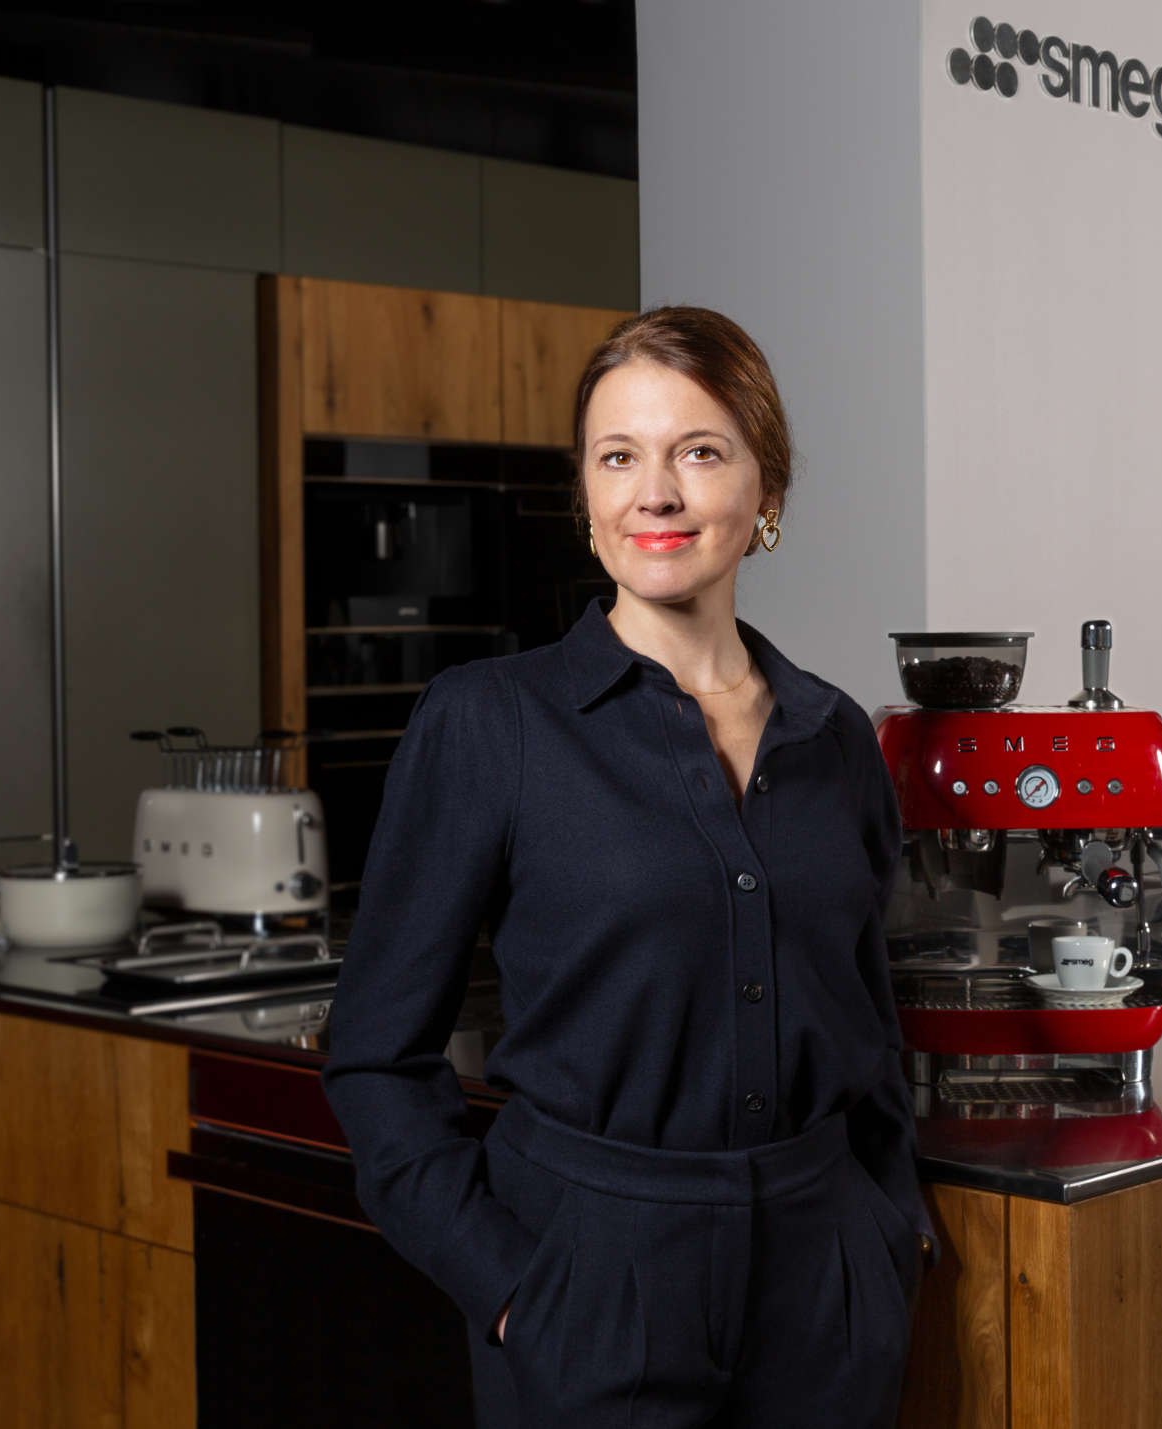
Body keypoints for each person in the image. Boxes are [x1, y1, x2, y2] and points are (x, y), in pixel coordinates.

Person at [321, 306, 929, 1426]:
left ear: (765, 488)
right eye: (618, 457)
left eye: (698, 452)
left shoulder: (837, 737)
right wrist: (512, 1289)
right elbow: (374, 1056)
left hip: (825, 1293)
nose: (655, 493)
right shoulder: (490, 724)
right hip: (588, 1279)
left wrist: (886, 1237)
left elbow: (868, 1028)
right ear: (586, 498)